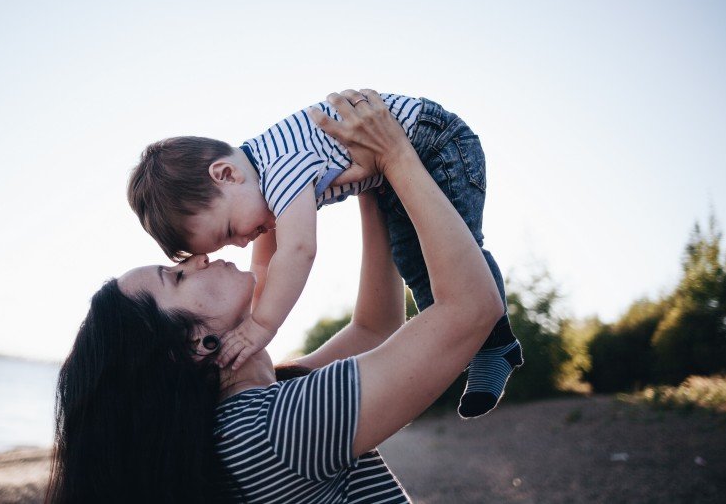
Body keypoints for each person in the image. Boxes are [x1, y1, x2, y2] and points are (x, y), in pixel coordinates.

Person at [46, 91, 505, 503]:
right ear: (191, 348)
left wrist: (373, 185)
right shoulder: (268, 435)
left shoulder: (254, 414)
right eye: (176, 277)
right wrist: (397, 155)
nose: (198, 260)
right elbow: (470, 310)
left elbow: (375, 330)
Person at [127, 90, 521, 417]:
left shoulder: (278, 171)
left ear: (226, 175)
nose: (242, 243)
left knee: (451, 254)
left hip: (433, 143)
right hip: (404, 156)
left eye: (230, 232)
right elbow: (265, 267)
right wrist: (383, 167)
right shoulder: (262, 174)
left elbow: (297, 250)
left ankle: (494, 343)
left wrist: (262, 326)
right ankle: (490, 345)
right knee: (416, 261)